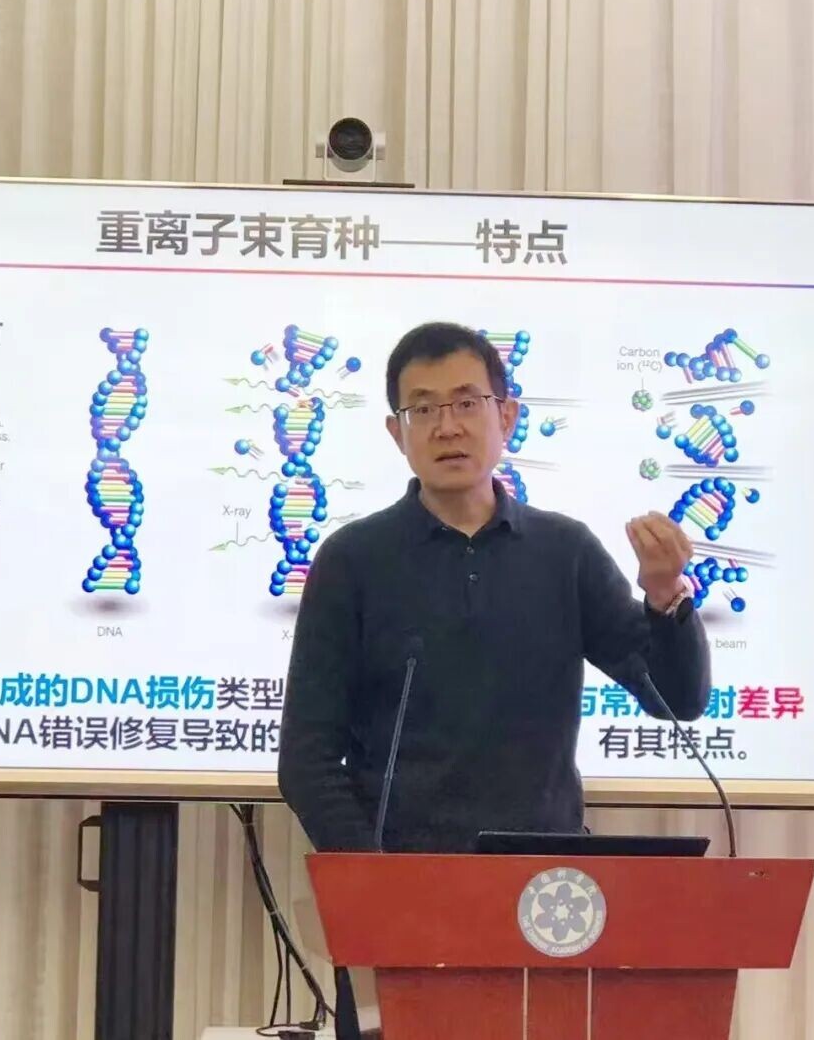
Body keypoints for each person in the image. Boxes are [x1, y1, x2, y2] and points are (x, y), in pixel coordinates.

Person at [278, 322, 711, 855]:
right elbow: (307, 759)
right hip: (405, 877)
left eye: (466, 404)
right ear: (397, 433)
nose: (447, 428)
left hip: (545, 880)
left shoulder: (565, 551)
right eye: (423, 409)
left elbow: (678, 699)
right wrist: (371, 874)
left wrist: (666, 596)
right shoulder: (352, 560)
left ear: (506, 417)